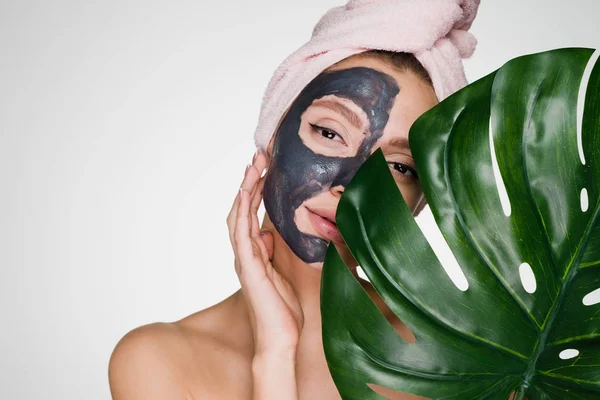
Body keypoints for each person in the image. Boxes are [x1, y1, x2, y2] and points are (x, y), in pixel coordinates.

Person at [108, 1, 480, 399]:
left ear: (421, 200)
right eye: (331, 132)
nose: (352, 185)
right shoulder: (158, 361)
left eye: (400, 167)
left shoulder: (460, 359)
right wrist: (276, 351)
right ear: (272, 133)